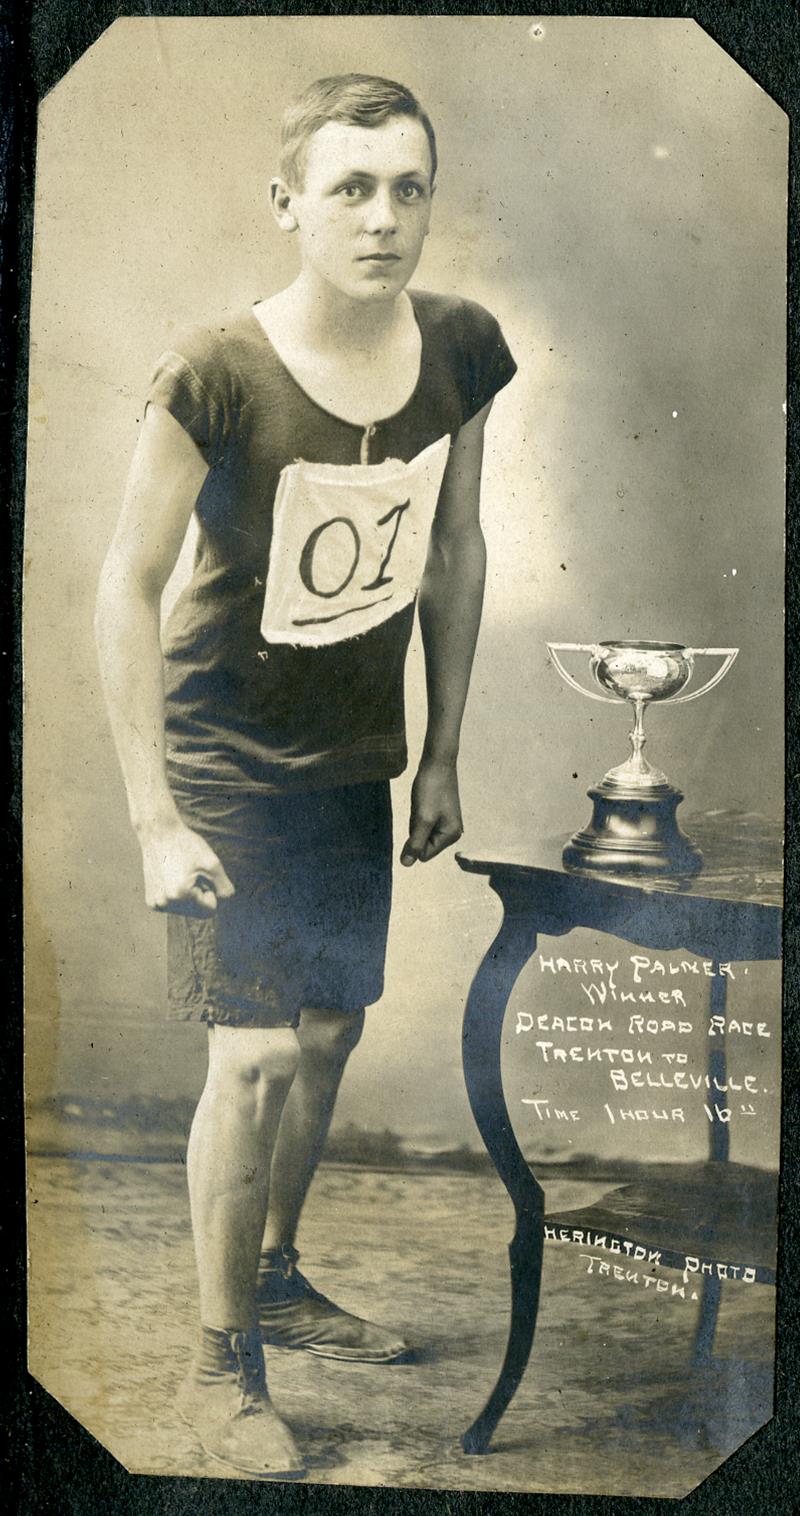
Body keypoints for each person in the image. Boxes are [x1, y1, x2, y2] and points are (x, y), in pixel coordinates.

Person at [95, 73, 516, 1480]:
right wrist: (154, 816)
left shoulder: (460, 349)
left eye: (407, 188)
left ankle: (273, 1271)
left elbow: (454, 547)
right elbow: (126, 585)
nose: (383, 218)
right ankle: (223, 1364)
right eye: (350, 188)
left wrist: (445, 746)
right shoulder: (214, 368)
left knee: (326, 1038)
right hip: (222, 759)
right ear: (288, 204)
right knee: (257, 1054)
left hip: (354, 762)